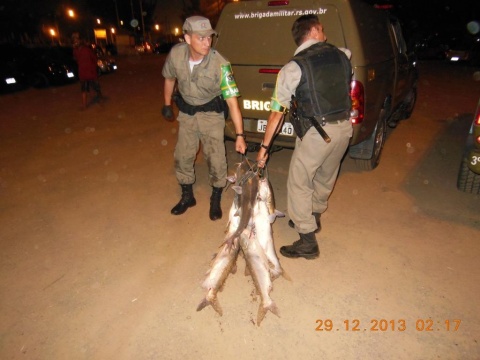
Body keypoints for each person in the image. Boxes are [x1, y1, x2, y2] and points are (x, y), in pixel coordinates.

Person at [256, 15, 353, 259]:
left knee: (299, 182)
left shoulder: (292, 68)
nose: (326, 35)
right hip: (344, 128)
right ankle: (314, 216)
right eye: (322, 30)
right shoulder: (342, 55)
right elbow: (346, 54)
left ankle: (307, 239)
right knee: (326, 175)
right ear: (313, 31)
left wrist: (264, 148)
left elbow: (276, 114)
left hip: (318, 133)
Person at [161, 16, 247, 221]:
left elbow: (233, 102)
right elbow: (170, 78)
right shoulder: (176, 54)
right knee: (183, 156)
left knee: (215, 158)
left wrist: (240, 135)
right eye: (201, 38)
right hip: (187, 114)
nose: (207, 42)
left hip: (211, 115)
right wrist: (166, 104)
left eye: (209, 37)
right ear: (187, 38)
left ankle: (215, 196)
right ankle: (187, 196)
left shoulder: (221, 63)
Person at [72, 34, 102, 109]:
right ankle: (84, 105)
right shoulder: (75, 51)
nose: (76, 42)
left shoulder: (86, 49)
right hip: (83, 71)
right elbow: (76, 59)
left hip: (90, 71)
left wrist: (94, 67)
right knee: (84, 88)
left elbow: (94, 58)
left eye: (77, 40)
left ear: (80, 41)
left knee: (94, 85)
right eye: (74, 41)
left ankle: (99, 95)